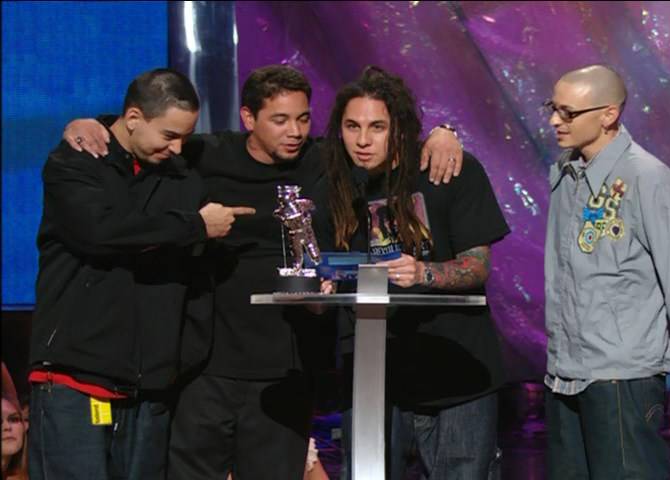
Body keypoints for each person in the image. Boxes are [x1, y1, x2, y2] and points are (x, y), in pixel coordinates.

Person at [63, 64, 464, 479]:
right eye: (280, 120)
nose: (295, 132)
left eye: (303, 119)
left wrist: (444, 133)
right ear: (248, 118)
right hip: (206, 367)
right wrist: (94, 124)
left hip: (287, 369)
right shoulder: (206, 155)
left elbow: (385, 147)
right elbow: (149, 131)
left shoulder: (324, 161)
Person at [28, 68, 248, 480]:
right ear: (133, 119)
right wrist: (195, 226)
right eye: (169, 135)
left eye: (185, 137)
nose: (178, 147)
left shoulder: (181, 174)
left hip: (151, 386)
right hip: (76, 377)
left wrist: (180, 357)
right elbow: (101, 231)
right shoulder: (75, 161)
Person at [311, 66, 510, 479]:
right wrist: (319, 289)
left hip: (457, 371)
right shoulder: (333, 185)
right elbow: (325, 272)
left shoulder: (446, 169)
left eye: (377, 127)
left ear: (399, 128)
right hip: (373, 377)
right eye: (352, 126)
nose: (362, 140)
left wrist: (423, 272)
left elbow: (477, 266)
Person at [543, 64, 670, 479]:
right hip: (564, 373)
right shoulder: (565, 174)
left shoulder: (649, 179)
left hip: (622, 377)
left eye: (568, 113)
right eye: (553, 108)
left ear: (609, 114)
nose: (554, 121)